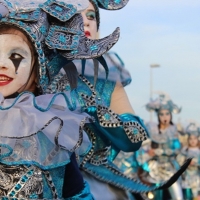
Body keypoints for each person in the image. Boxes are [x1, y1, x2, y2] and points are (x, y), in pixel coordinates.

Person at [0, 0, 125, 198]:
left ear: (37, 71)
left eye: (15, 55)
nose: (3, 65)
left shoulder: (52, 128)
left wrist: (99, 117)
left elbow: (76, 193)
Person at [79, 2, 192, 200]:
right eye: (74, 14)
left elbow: (134, 136)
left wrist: (97, 113)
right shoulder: (33, 67)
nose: (86, 22)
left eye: (91, 16)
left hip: (95, 182)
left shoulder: (107, 74)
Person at [135, 92, 185, 200]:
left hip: (170, 168)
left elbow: (177, 149)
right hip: (155, 170)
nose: (164, 117)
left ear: (171, 115)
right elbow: (141, 146)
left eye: (167, 114)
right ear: (158, 116)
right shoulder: (152, 130)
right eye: (161, 114)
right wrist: (148, 154)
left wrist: (161, 151)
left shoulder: (174, 130)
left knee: (178, 197)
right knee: (155, 197)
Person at [177, 123, 200, 200]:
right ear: (188, 139)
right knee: (187, 196)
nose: (193, 141)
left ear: (198, 139)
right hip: (186, 178)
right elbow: (179, 162)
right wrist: (186, 162)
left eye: (195, 139)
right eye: (191, 139)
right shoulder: (184, 150)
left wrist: (196, 164)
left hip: (197, 178)